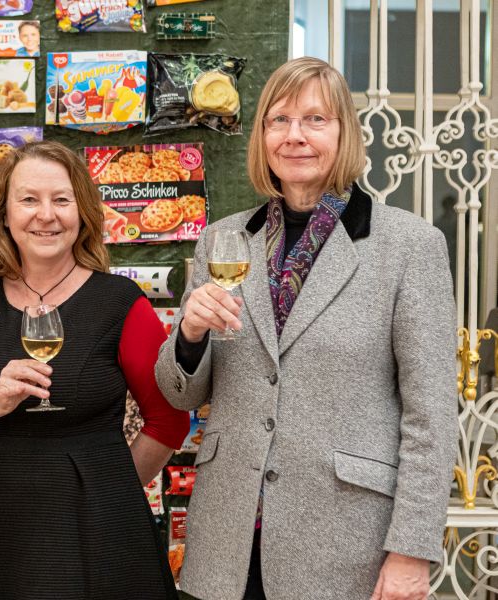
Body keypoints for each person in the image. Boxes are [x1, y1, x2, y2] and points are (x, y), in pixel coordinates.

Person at [155, 57, 457, 600]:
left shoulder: (409, 247)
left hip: (346, 545)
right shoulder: (223, 241)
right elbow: (183, 394)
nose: (295, 135)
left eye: (315, 120)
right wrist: (189, 335)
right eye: (279, 120)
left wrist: (411, 551)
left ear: (344, 133)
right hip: (226, 542)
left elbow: (431, 417)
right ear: (262, 136)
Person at [0, 140, 189, 599]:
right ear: (3, 214)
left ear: (82, 212)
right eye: (29, 200)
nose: (46, 215)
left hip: (96, 535)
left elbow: (170, 420)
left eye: (61, 200)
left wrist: (107, 487)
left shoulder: (121, 304)